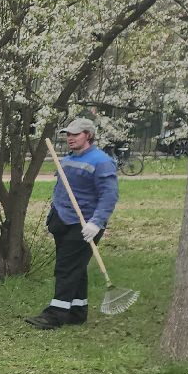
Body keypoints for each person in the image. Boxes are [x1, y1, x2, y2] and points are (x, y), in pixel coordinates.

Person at [28, 117, 119, 329]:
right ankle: (77, 311)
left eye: (75, 134)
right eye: (68, 134)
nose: (70, 138)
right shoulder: (68, 159)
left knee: (66, 268)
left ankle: (55, 314)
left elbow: (109, 195)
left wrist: (96, 223)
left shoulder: (101, 161)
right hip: (63, 221)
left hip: (84, 225)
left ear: (88, 135)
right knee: (76, 268)